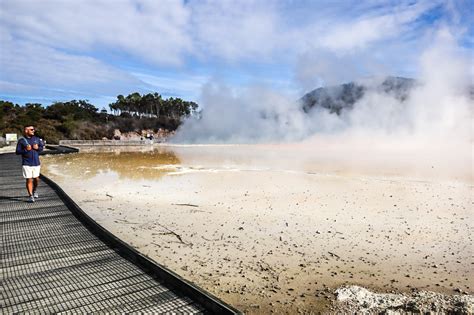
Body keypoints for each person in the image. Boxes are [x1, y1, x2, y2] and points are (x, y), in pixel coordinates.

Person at [16, 125, 44, 202]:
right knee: (29, 180)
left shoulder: (37, 139)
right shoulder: (21, 141)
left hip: (36, 163)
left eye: (33, 129)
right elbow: (17, 152)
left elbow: (41, 149)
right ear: (26, 130)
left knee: (36, 179)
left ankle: (34, 191)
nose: (33, 131)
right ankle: (31, 196)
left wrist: (38, 148)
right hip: (26, 163)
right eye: (31, 129)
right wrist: (25, 150)